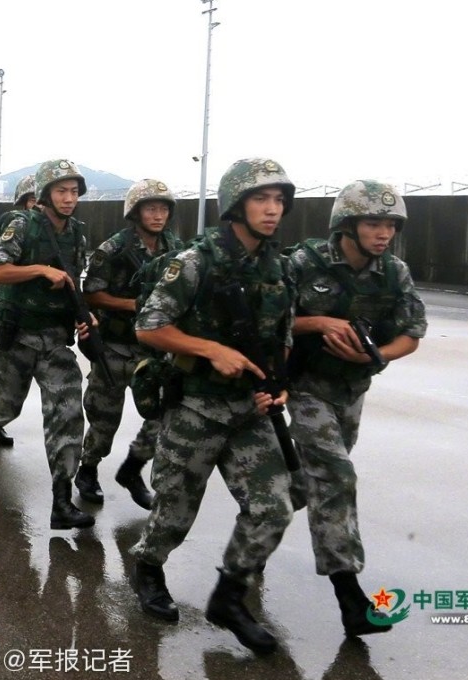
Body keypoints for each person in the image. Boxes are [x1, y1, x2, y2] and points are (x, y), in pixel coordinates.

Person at [129, 158, 296, 655]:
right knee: (174, 512)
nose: (272, 210)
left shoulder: (279, 266)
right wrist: (211, 350)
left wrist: (279, 384)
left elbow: (281, 337)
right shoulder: (197, 262)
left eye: (279, 201)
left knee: (273, 508)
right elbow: (149, 326)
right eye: (261, 199)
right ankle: (149, 567)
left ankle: (228, 596)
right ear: (235, 205)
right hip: (196, 409)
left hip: (248, 410)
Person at [284, 180, 426, 637]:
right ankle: (351, 599)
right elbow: (266, 317)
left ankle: (251, 540)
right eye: (372, 223)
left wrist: (373, 355)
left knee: (307, 486)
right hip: (305, 387)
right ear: (346, 225)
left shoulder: (394, 272)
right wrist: (318, 322)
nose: (383, 233)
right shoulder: (304, 263)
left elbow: (412, 333)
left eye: (389, 225)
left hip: (351, 390)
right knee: (336, 477)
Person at [0, 159, 96, 531]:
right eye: (61, 192)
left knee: (67, 414)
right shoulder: (23, 225)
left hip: (54, 340)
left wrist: (84, 314)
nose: (69, 199)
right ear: (45, 195)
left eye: (74, 192)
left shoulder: (77, 234)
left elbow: (70, 281)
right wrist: (39, 270)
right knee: (3, 408)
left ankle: (61, 502)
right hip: (17, 336)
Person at [75, 179, 184, 509]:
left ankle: (133, 468)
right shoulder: (113, 249)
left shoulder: (175, 249)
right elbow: (92, 293)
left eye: (163, 208)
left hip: (153, 351)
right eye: (151, 208)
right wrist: (135, 305)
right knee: (105, 421)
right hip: (114, 347)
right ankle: (88, 470)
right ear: (135, 212)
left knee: (164, 414)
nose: (158, 214)